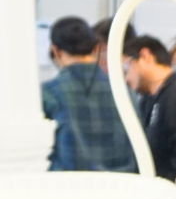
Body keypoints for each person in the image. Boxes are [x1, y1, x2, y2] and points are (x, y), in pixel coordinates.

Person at [41, 16, 137, 172]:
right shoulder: (126, 92)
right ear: (96, 48)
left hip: (70, 189)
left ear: (55, 51)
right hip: (121, 188)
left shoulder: (49, 93)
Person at [122, 33, 176, 181]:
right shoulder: (149, 99)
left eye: (127, 67)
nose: (126, 78)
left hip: (171, 195)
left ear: (145, 56)